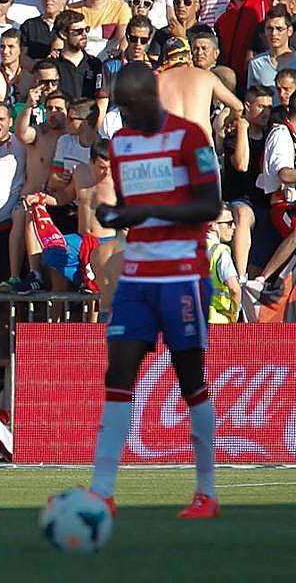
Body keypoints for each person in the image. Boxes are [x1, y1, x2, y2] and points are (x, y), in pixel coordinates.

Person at [86, 62, 222, 519]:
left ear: (152, 98)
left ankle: (206, 492)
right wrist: (116, 215)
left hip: (182, 273)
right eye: (119, 107)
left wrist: (140, 212)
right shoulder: (122, 144)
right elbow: (132, 207)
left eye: (129, 106)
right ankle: (102, 490)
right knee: (118, 372)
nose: (123, 116)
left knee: (191, 380)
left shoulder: (189, 137)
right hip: (139, 276)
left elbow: (210, 203)